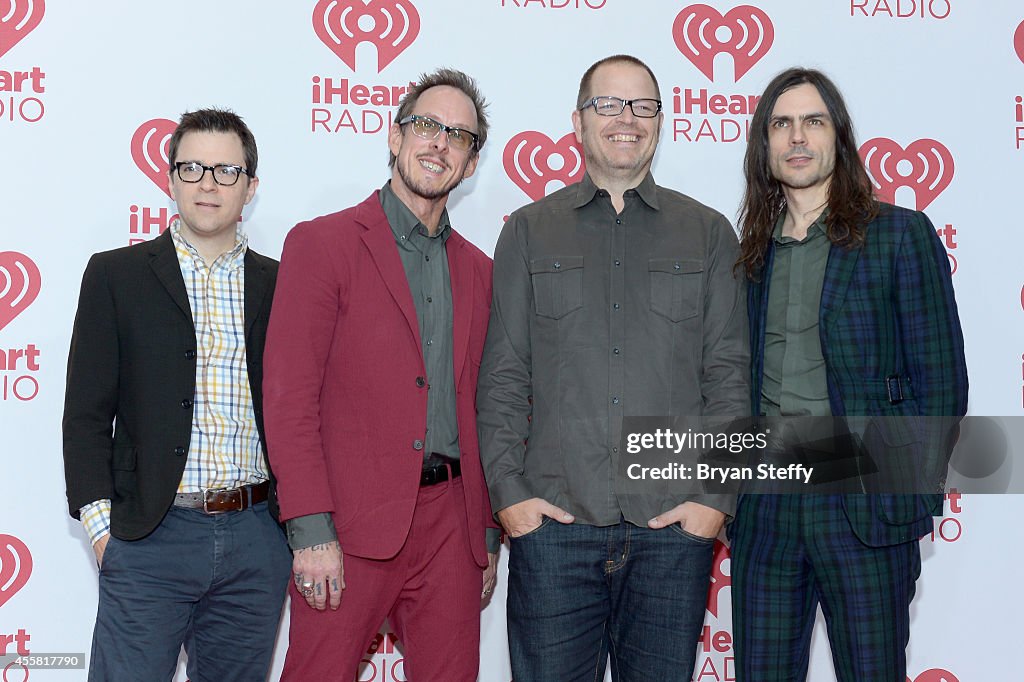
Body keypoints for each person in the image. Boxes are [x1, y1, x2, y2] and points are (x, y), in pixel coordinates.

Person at [477, 54, 749, 680]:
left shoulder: (707, 233)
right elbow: (503, 377)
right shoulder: (527, 231)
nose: (627, 119)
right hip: (554, 526)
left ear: (660, 121)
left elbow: (729, 375)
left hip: (672, 529)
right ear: (578, 121)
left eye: (643, 106)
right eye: (609, 105)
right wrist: (510, 498)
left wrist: (714, 499)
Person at [729, 67, 968, 681]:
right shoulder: (749, 253)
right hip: (766, 507)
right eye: (781, 124)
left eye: (814, 121)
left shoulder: (897, 236)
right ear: (764, 145)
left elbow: (942, 386)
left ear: (839, 135)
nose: (798, 137)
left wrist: (900, 489)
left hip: (862, 505)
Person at [263, 68, 499, 681]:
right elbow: (290, 400)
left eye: (458, 136)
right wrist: (310, 528)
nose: (439, 143)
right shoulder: (322, 245)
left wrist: (485, 531)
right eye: (426, 125)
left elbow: (488, 407)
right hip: (346, 523)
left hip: (452, 526)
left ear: (470, 164)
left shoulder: (480, 271)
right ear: (395, 138)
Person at [62, 108, 290, 681]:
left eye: (226, 171)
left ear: (251, 187)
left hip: (257, 537)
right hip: (148, 537)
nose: (208, 184)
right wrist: (102, 531)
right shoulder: (116, 275)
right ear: (169, 180)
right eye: (192, 168)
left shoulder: (284, 283)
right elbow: (86, 414)